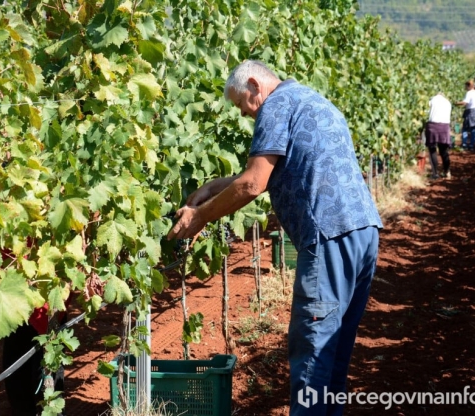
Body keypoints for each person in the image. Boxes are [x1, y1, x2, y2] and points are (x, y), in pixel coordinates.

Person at [168, 60, 383, 416]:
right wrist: (212, 187)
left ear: (255, 84)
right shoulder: (310, 100)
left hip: (328, 237)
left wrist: (198, 216)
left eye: (243, 105)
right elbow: (270, 171)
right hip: (362, 232)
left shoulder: (275, 104)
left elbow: (253, 183)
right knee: (335, 350)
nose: (246, 115)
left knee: (313, 355)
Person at [424, 92, 452, 180]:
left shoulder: (432, 100)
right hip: (444, 127)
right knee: (444, 150)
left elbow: (425, 112)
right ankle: (447, 171)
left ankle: (435, 173)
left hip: (433, 126)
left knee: (432, 150)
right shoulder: (448, 102)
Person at [455, 79, 475, 151]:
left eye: (466, 86)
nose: (465, 87)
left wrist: (456, 103)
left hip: (470, 112)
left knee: (465, 128)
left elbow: (465, 102)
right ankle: (471, 145)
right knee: (473, 129)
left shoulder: (469, 93)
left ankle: (464, 144)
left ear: (468, 86)